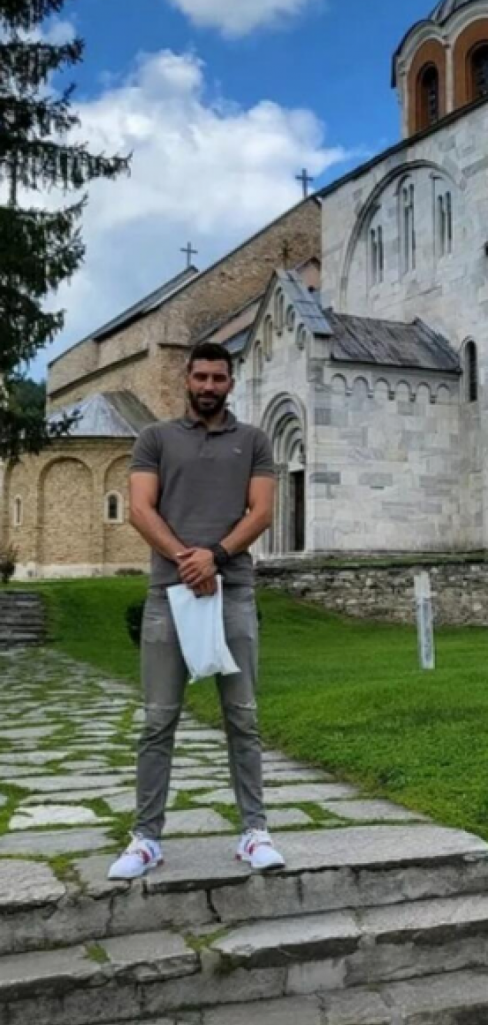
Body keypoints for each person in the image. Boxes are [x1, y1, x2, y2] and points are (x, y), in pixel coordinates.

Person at [108, 342, 285, 879]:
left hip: (234, 592)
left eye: (218, 378)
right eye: (201, 377)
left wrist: (216, 556)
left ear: (231, 382)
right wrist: (189, 560)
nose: (209, 386)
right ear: (187, 378)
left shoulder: (253, 441)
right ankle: (146, 838)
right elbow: (141, 509)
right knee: (158, 719)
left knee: (243, 717)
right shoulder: (155, 438)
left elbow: (262, 511)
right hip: (169, 595)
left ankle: (254, 831)